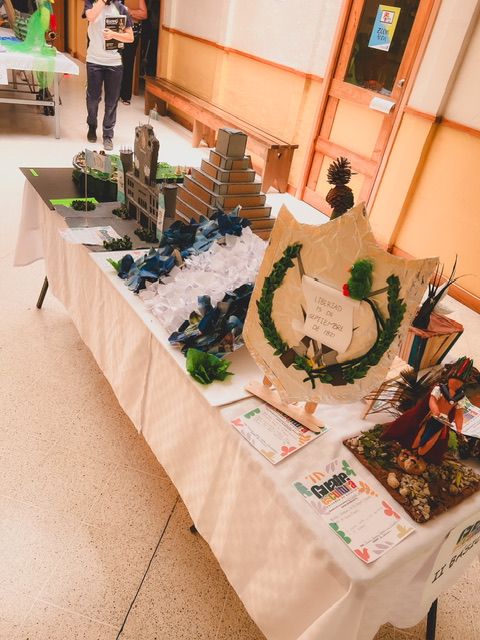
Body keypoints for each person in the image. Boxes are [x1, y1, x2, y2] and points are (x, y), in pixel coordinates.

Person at [380, 357, 473, 465]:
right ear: (449, 377)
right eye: (455, 379)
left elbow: (459, 413)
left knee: (432, 439)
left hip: (443, 422)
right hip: (431, 416)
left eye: (460, 382)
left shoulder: (460, 397)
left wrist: (459, 428)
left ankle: (419, 455)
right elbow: (432, 400)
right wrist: (435, 410)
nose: (456, 383)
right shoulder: (439, 389)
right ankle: (412, 450)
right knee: (421, 434)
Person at [84, 0, 134, 150]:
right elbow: (91, 17)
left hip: (114, 62)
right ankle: (92, 126)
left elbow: (130, 37)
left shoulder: (121, 8)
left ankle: (108, 134)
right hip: (94, 60)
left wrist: (113, 35)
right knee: (93, 98)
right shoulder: (91, 3)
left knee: (112, 101)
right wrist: (102, 1)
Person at [119, 0, 147, 105]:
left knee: (128, 62)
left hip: (132, 30)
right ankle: (113, 92)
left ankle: (125, 95)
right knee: (113, 62)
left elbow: (144, 14)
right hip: (114, 29)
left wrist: (129, 11)